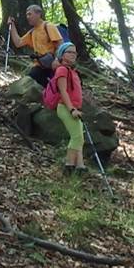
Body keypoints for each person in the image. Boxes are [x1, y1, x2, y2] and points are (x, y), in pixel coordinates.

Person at [44, 41, 86, 174]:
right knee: (77, 137)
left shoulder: (72, 71)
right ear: (62, 54)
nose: (73, 55)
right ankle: (69, 167)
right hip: (66, 107)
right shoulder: (62, 70)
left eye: (75, 53)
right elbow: (63, 91)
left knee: (79, 137)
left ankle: (80, 166)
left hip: (73, 108)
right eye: (70, 52)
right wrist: (72, 109)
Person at [7, 4, 63, 87]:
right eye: (27, 15)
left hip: (52, 64)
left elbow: (60, 45)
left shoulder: (48, 26)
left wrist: (57, 60)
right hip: (40, 65)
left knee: (54, 85)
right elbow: (18, 43)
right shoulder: (32, 32)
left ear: (38, 14)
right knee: (31, 80)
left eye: (30, 14)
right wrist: (12, 25)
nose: (28, 17)